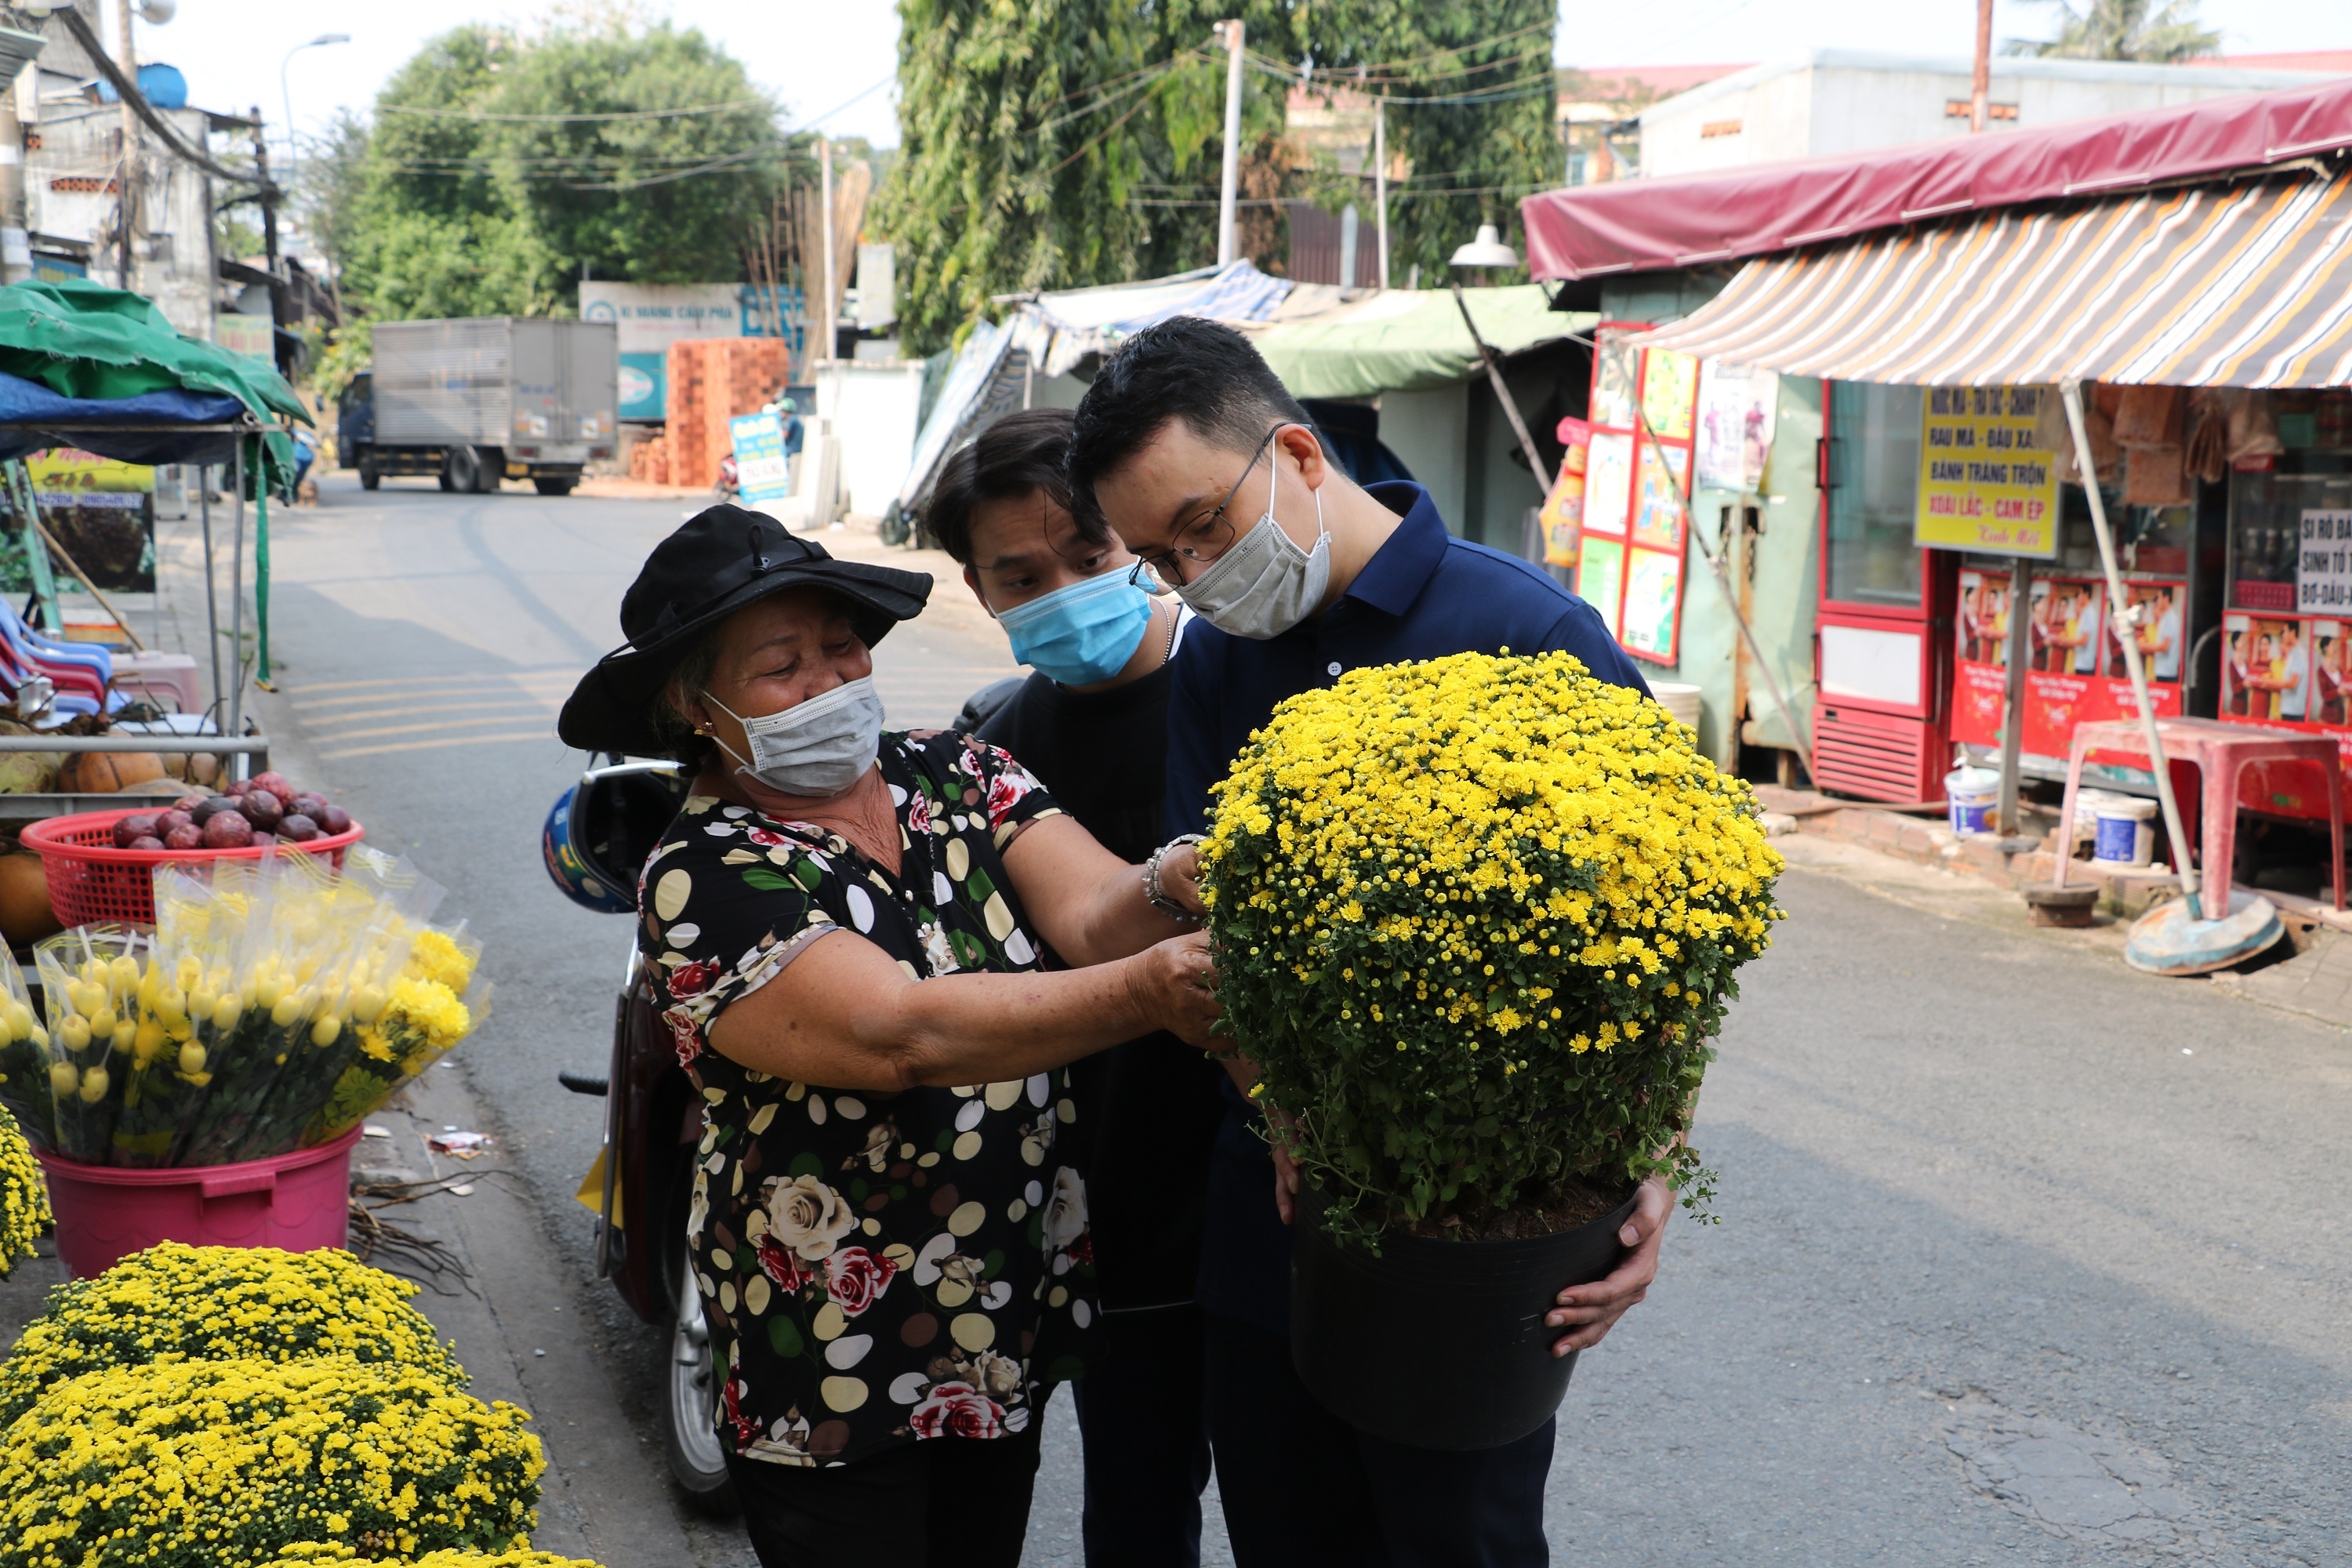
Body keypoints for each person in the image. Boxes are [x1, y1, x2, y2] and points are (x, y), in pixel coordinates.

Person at [1064, 317, 1671, 1567]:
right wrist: (1279, 1108)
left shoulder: (1532, 639)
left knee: (1460, 1542)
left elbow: (1662, 931)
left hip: (1476, 1236)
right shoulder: (1217, 666)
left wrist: (1642, 1159)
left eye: (1204, 528)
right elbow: (1215, 923)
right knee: (1290, 1535)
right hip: (1270, 1222)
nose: (1194, 577)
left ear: (1293, 452)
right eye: (1160, 560)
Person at [556, 505, 1219, 1568]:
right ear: (697, 707)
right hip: (829, 1347)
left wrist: (1176, 877)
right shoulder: (703, 871)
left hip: (995, 1304)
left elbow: (1097, 910)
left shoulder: (958, 773)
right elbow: (897, 1035)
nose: (831, 681)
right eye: (782, 666)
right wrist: (1148, 993)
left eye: (842, 646)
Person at [925, 407, 1229, 1568]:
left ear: (1138, 546)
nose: (1064, 588)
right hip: (1058, 1200)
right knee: (1090, 1507)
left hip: (1226, 1198)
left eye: (1090, 557)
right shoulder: (986, 747)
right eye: (1021, 575)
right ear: (980, 591)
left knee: (1243, 1497)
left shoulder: (1240, 700)